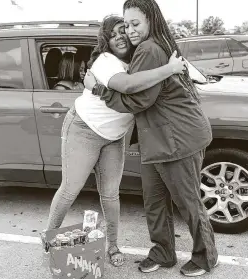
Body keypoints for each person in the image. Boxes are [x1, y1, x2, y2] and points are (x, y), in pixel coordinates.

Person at [84, 0, 219, 276]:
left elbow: (139, 100)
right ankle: (163, 253)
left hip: (177, 139)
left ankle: (207, 257)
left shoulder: (149, 49)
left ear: (151, 21)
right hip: (157, 140)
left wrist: (99, 90)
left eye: (136, 24)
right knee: (154, 201)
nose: (131, 31)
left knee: (188, 201)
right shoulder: (146, 49)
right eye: (126, 25)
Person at [45, 14, 188, 268]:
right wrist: (170, 68)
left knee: (110, 194)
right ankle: (49, 239)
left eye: (123, 31)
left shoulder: (140, 58)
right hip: (84, 128)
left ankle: (112, 245)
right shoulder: (104, 61)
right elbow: (128, 86)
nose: (119, 37)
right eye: (112, 35)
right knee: (70, 189)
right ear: (106, 41)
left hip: (115, 136)